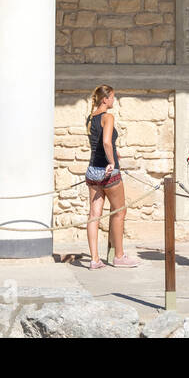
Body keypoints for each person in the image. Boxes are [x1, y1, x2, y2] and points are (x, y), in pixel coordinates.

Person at [84, 84, 140, 269]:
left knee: (94, 215)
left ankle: (94, 260)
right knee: (119, 212)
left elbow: (97, 144)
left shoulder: (90, 118)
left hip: (92, 170)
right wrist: (113, 162)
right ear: (105, 99)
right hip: (108, 173)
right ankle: (119, 256)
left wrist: (114, 153)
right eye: (112, 97)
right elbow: (107, 142)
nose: (114, 100)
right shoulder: (108, 117)